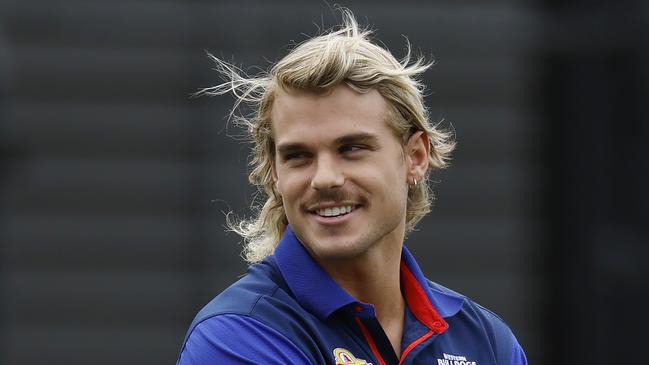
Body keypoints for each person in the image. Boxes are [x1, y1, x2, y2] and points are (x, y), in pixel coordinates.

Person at [177, 9, 527, 365]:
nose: (325, 178)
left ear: (415, 156)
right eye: (298, 155)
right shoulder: (237, 336)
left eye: (352, 149)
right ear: (274, 174)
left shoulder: (485, 340)